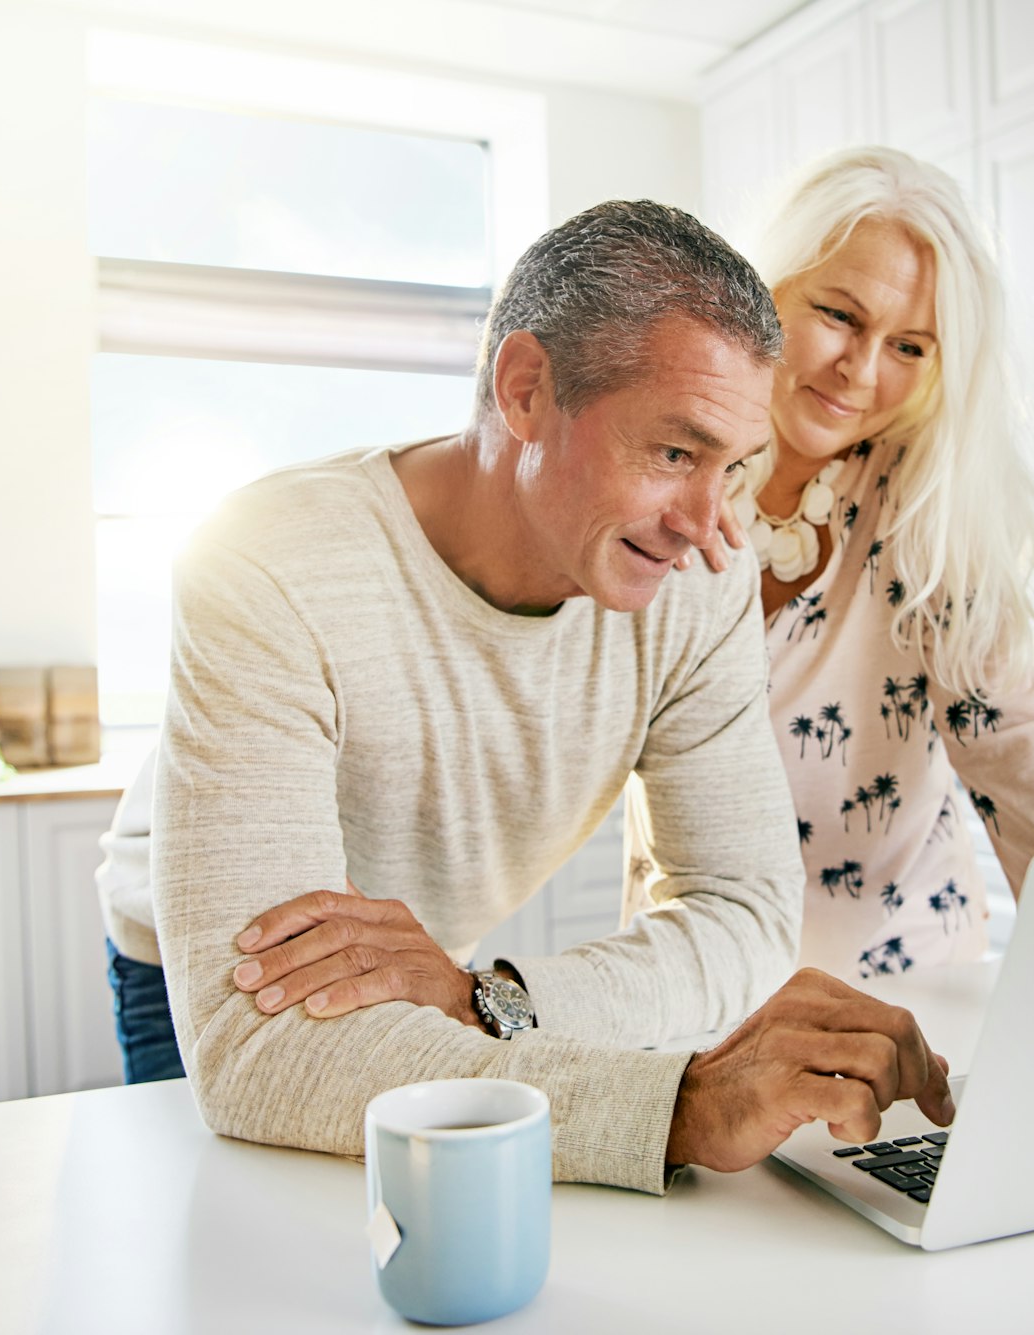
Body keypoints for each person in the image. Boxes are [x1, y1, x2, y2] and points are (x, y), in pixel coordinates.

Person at [105, 200, 953, 1193]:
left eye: (732, 466)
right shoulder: (270, 557)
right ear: (524, 390)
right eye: (673, 453)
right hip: (203, 976)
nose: (706, 524)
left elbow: (747, 915)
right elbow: (265, 1057)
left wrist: (486, 1001)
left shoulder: (699, 581)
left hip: (440, 971)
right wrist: (683, 1107)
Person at [662, 145, 1034, 979]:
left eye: (910, 347)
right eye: (839, 315)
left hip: (908, 987)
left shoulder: (923, 499)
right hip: (697, 983)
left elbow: (1012, 737)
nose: (860, 372)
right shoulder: (666, 483)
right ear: (766, 289)